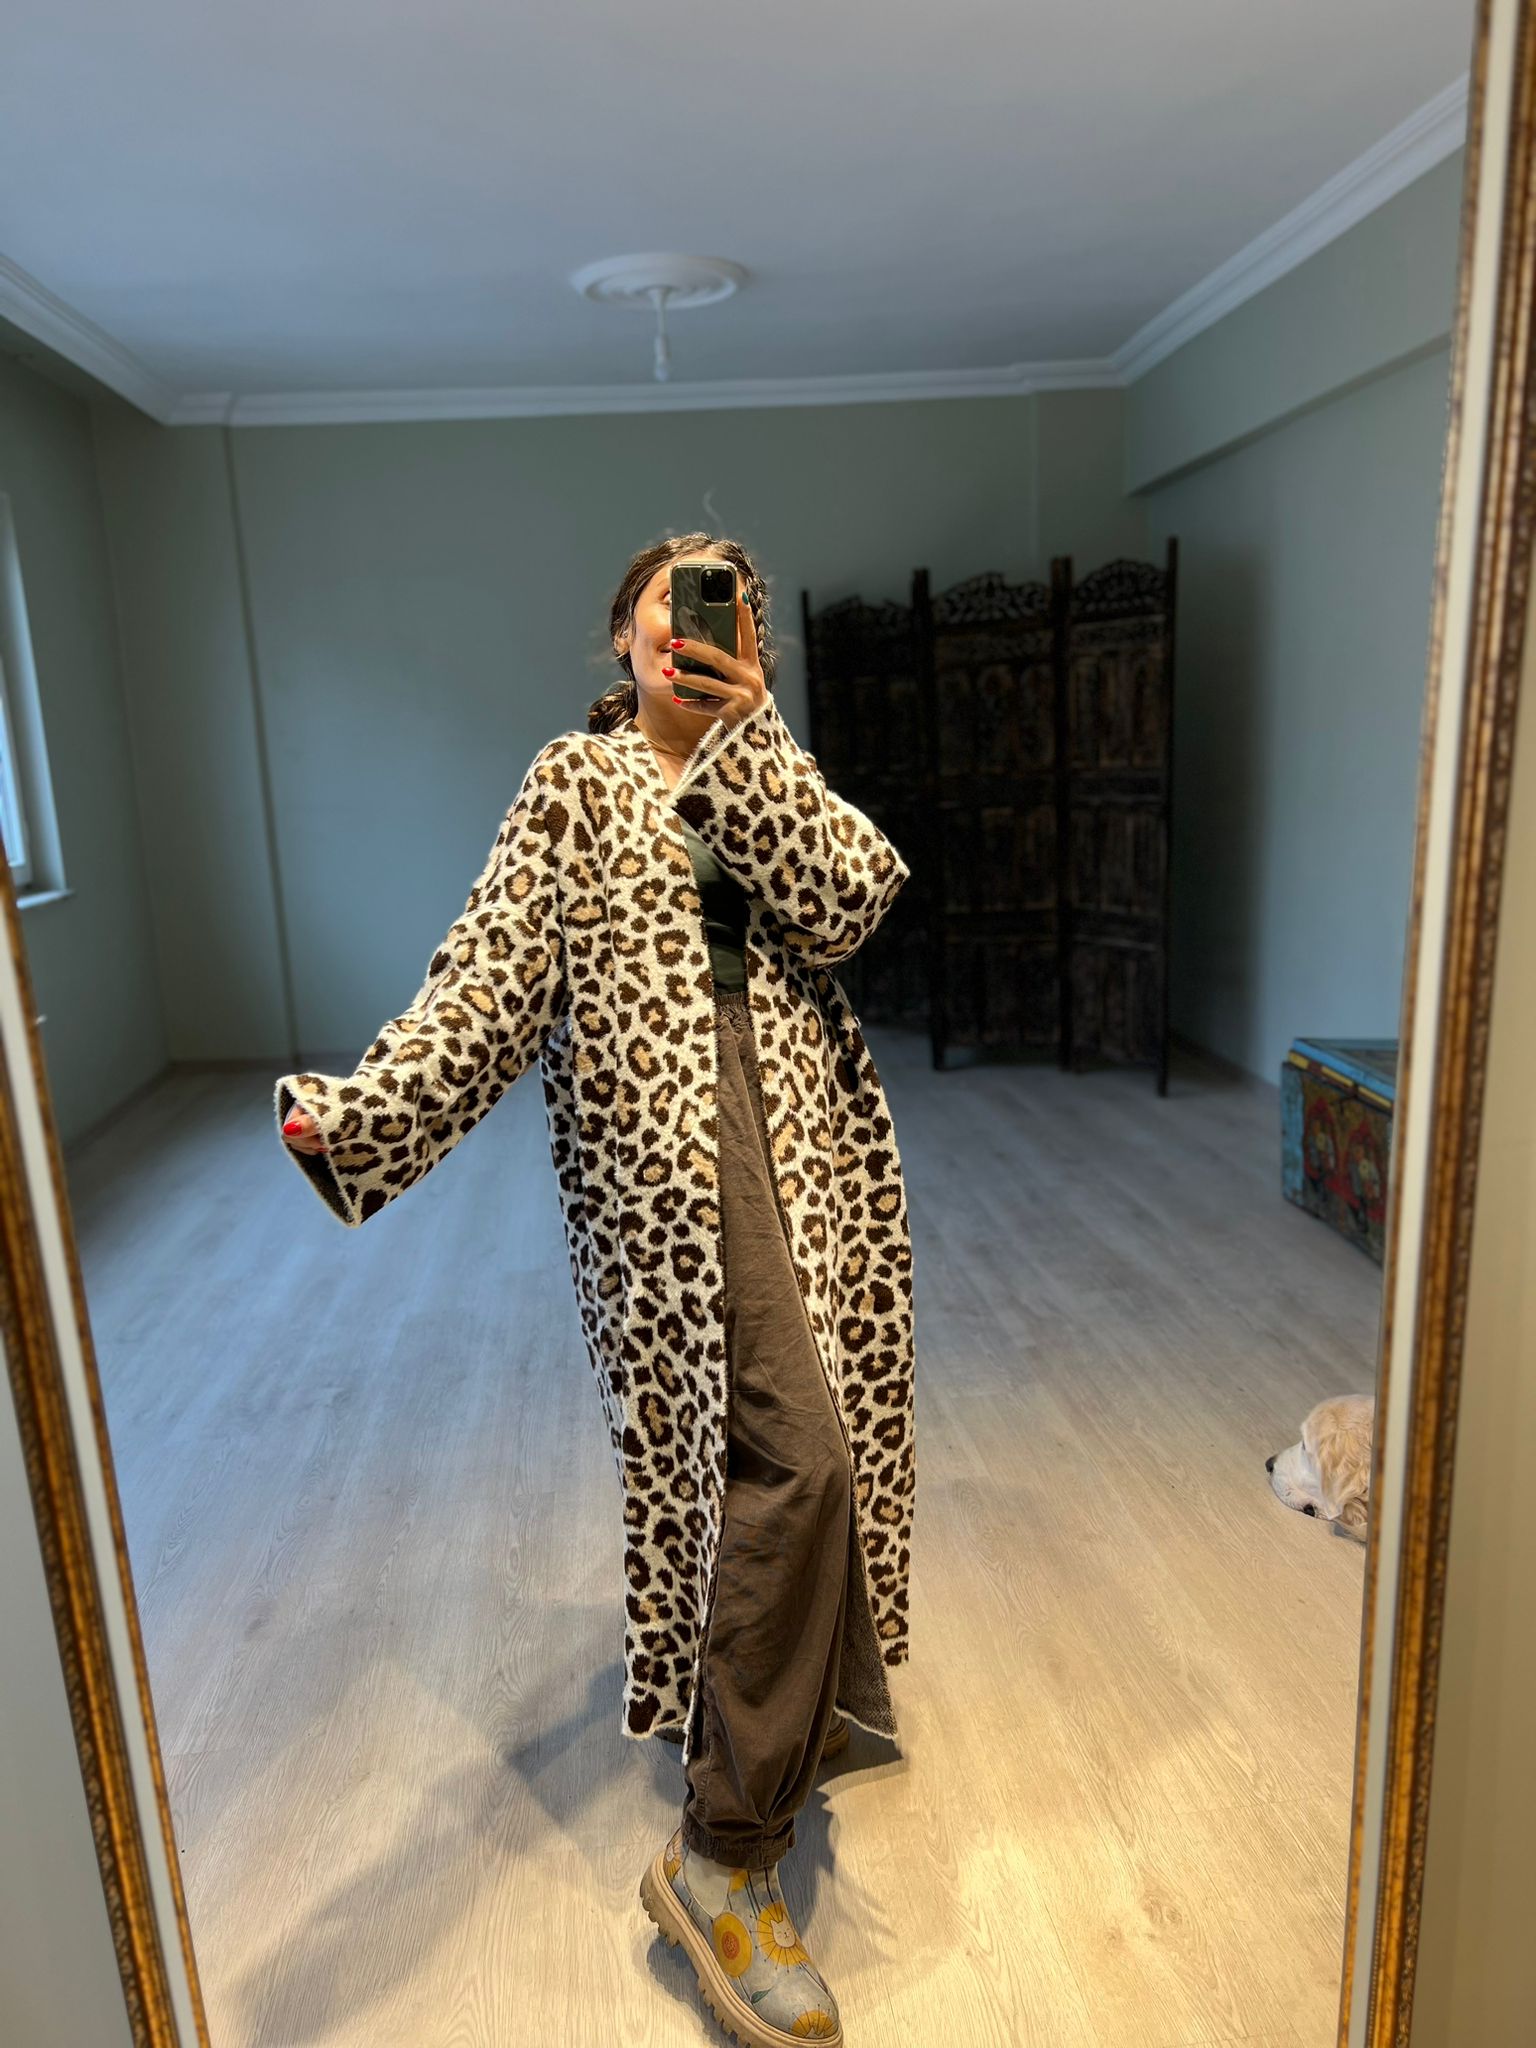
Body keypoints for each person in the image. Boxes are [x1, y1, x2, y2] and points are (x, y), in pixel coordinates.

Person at [277, 534, 917, 2048]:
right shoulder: (573, 785)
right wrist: (367, 1113)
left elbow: (850, 905)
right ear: (622, 642)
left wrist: (752, 747)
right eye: (668, 604)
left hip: (812, 1148)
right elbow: (489, 981)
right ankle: (722, 1857)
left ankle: (782, 1715)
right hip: (671, 1177)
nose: (697, 624)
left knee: (805, 1445)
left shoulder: (775, 766)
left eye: (727, 606)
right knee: (796, 1459)